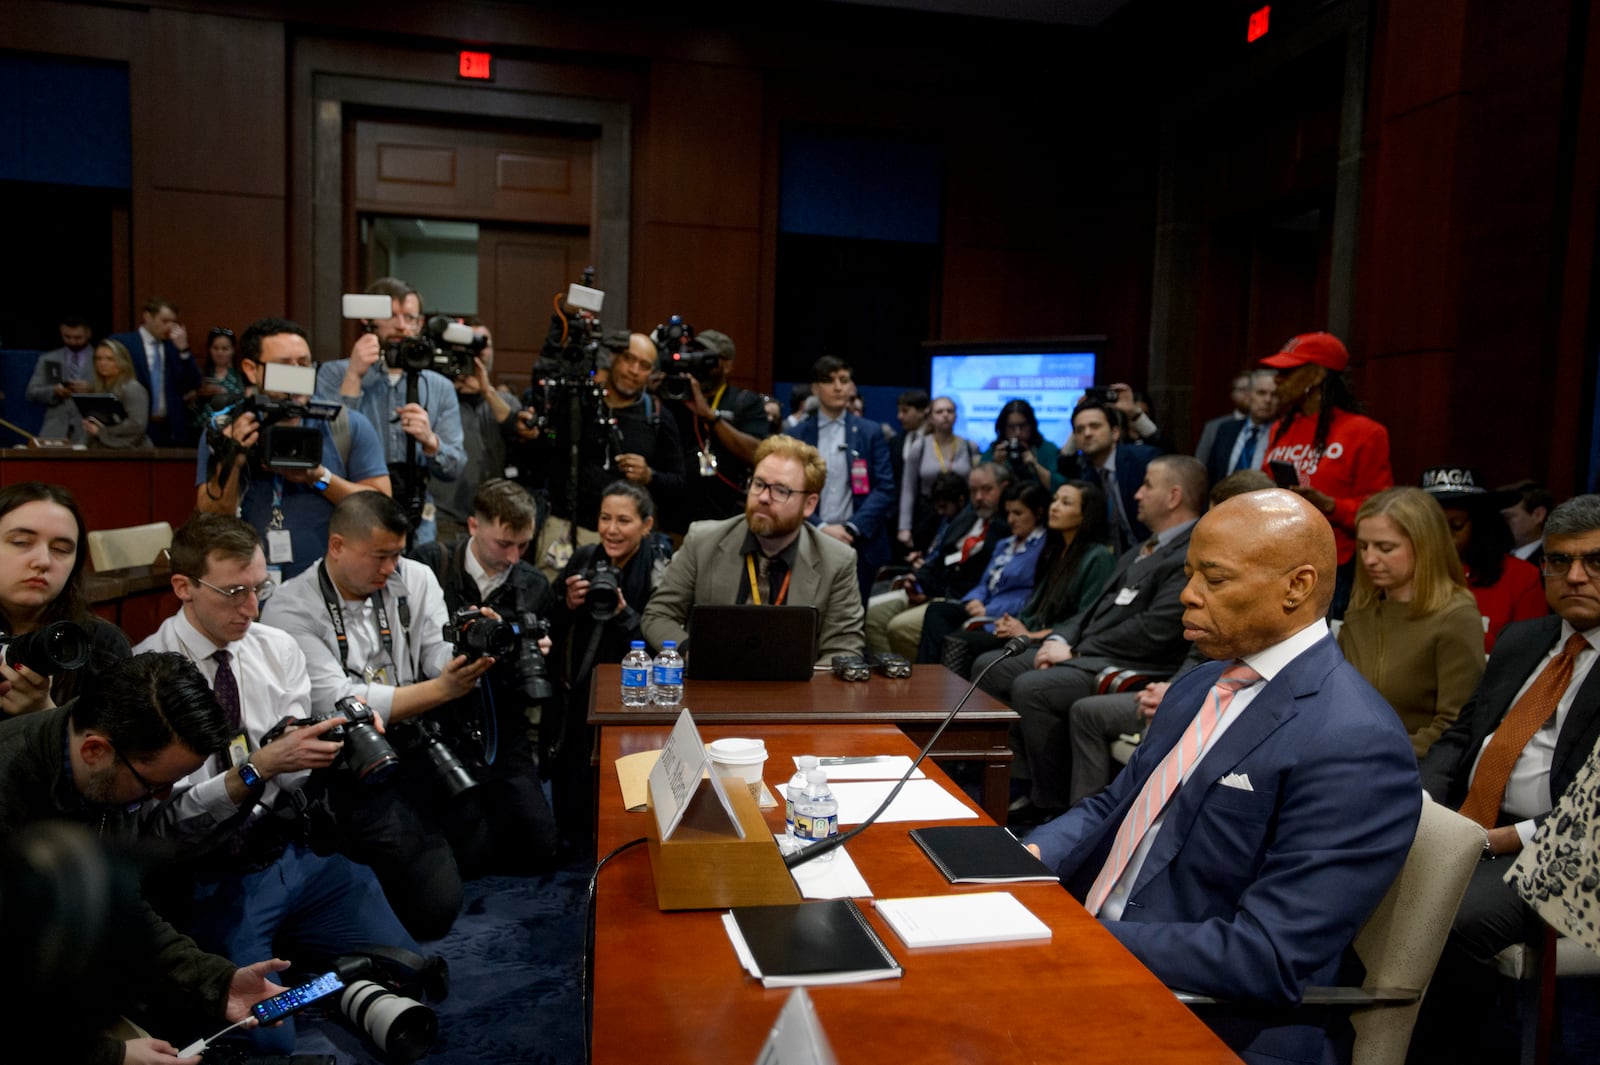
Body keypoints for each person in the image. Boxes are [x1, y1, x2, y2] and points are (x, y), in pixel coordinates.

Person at [1023, 488, 1421, 1065]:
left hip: (1206, 1015)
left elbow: (1269, 956)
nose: (1187, 596)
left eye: (1214, 579)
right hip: (1100, 957)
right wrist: (1024, 855)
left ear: (1298, 587)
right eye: (1188, 574)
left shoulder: (1354, 741)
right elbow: (1116, 804)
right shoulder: (1202, 683)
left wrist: (1073, 938)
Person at [134, 514, 423, 1053]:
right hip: (212, 874)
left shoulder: (276, 648)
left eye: (260, 589)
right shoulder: (147, 674)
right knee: (270, 1044)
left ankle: (322, 976)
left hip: (293, 852)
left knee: (411, 972)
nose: (251, 608)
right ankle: (317, 977)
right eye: (234, 591)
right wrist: (258, 768)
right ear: (184, 587)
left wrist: (324, 749)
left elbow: (289, 779)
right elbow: (162, 822)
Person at [0, 652, 292, 1064]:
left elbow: (118, 906)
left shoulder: (99, 766)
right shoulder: (10, 787)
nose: (159, 799)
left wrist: (218, 981)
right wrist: (109, 1055)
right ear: (95, 750)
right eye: (155, 786)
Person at [1409, 495, 1600, 1065]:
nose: (1575, 576)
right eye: (1559, 562)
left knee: (1444, 911)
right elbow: (1459, 739)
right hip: (1476, 824)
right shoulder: (1524, 639)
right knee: (1355, 867)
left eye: (1595, 562)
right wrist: (1421, 802)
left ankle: (1447, 1053)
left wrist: (1498, 841)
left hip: (1568, 850)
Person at [261, 491, 496, 939]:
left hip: (415, 734)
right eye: (380, 557)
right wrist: (442, 689)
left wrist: (469, 649)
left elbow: (435, 654)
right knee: (434, 910)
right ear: (337, 546)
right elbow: (337, 698)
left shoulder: (415, 576)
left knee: (480, 832)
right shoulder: (290, 606)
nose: (391, 569)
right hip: (347, 756)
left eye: (397, 555)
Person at [978, 455, 1206, 817]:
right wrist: (1062, 640)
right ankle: (1017, 779)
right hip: (1092, 650)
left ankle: (1046, 801)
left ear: (1174, 496)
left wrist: (1077, 651)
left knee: (1032, 687)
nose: (1137, 494)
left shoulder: (1190, 552)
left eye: (1147, 484)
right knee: (991, 665)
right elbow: (1093, 609)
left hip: (1131, 661)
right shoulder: (1146, 546)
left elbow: (1155, 630)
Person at [1057, 471, 1276, 813]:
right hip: (1185, 686)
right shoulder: (1206, 576)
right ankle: (1091, 825)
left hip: (1229, 707)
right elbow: (1196, 653)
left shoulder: (1269, 593)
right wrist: (1174, 689)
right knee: (1088, 713)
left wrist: (1176, 695)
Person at [409, 478, 561, 875]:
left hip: (503, 726)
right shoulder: (429, 565)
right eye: (503, 544)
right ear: (473, 525)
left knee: (541, 847)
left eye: (523, 546)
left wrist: (531, 650)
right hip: (439, 721)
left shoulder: (533, 584)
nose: (513, 557)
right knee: (470, 856)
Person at [196, 317, 391, 582]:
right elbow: (212, 517)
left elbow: (381, 509)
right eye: (284, 366)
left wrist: (319, 478)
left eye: (304, 364)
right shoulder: (225, 428)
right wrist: (234, 457)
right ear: (251, 369)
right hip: (251, 584)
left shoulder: (344, 424)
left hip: (330, 585)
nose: (297, 374)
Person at [641, 434, 865, 661]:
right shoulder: (703, 540)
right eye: (759, 484)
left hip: (793, 691)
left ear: (809, 504)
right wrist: (692, 652)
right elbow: (658, 615)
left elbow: (844, 649)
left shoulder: (837, 561)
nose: (764, 497)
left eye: (780, 490)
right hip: (715, 686)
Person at [548, 480, 673, 851]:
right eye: (605, 518)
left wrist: (623, 614)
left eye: (624, 520)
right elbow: (550, 621)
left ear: (646, 525)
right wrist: (566, 601)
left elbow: (660, 642)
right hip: (578, 690)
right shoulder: (585, 557)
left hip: (631, 695)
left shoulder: (659, 567)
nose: (612, 530)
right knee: (571, 788)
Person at [520, 331, 685, 578]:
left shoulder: (658, 416)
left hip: (625, 541)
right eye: (629, 359)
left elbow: (679, 483)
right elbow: (543, 450)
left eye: (644, 365)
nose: (634, 370)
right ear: (614, 359)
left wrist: (649, 475)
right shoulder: (579, 401)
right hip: (564, 527)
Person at [1336, 487, 1486, 758]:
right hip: (1348, 756)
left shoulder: (1455, 616)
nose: (1369, 559)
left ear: (1424, 547)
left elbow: (1455, 724)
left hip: (1409, 767)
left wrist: (1378, 751)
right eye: (1363, 546)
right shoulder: (1360, 611)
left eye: (1385, 548)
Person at [314, 276, 466, 545]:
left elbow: (454, 466)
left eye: (411, 317)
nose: (401, 326)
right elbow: (326, 451)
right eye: (392, 316)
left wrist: (430, 442)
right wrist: (353, 378)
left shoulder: (439, 386)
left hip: (419, 518)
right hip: (352, 510)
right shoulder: (334, 373)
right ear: (367, 319)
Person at [1258, 331, 1392, 619]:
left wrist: (1330, 505)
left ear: (1317, 375)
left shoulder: (1364, 432)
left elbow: (1381, 511)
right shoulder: (1280, 428)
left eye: (1287, 371)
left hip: (1335, 569)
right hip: (1278, 560)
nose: (1277, 380)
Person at [935, 479, 1115, 678]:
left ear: (1086, 514)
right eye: (1055, 500)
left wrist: (1030, 634)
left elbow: (1086, 620)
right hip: (1032, 631)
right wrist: (1013, 623)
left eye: (1065, 503)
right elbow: (1035, 603)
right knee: (956, 640)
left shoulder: (1098, 557)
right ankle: (942, 704)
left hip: (1059, 641)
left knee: (980, 658)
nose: (1054, 507)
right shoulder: (1056, 550)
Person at [0, 481, 132, 713]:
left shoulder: (100, 644)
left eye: (61, 549)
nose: (43, 561)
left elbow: (113, 747)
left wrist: (43, 711)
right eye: (21, 542)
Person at [868, 462, 1012, 660]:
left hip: (956, 598)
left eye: (987, 490)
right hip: (931, 589)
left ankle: (911, 678)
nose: (979, 498)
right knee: (873, 615)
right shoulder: (967, 518)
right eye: (974, 491)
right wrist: (917, 581)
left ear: (1004, 488)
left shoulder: (1007, 529)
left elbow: (978, 579)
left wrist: (930, 592)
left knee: (899, 628)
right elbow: (938, 559)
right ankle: (888, 674)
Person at [791, 356, 896, 600]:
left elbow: (885, 488)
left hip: (857, 541)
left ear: (852, 387)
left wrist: (850, 528)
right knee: (806, 614)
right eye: (830, 381)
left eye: (844, 380)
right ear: (815, 389)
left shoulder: (870, 432)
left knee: (852, 620)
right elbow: (791, 488)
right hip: (809, 536)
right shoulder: (796, 435)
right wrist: (821, 526)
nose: (838, 387)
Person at [915, 481, 1050, 664]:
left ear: (1038, 513)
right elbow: (984, 582)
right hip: (983, 606)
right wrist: (975, 599)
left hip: (1007, 615)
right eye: (1008, 513)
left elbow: (1032, 596)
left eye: (1018, 513)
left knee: (957, 638)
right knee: (938, 611)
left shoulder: (1044, 548)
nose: (1011, 520)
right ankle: (928, 674)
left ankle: (941, 681)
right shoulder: (1005, 543)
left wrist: (988, 609)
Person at [1419, 465, 1547, 653]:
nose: (1442, 537)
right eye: (1432, 526)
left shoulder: (1521, 577)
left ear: (1480, 525)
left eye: (1456, 526)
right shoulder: (1404, 570)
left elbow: (1528, 654)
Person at [657, 328, 771, 533]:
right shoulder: (673, 395)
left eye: (707, 358)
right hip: (674, 521)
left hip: (726, 521)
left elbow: (758, 453)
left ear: (727, 365)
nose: (698, 363)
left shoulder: (745, 402)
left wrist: (710, 416)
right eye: (694, 354)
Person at [433, 317, 520, 544]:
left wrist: (486, 390)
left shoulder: (505, 400)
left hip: (492, 519)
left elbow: (517, 434)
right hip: (445, 517)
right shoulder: (438, 398)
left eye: (483, 344)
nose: (477, 352)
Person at [1057, 399, 1162, 554]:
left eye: (1095, 426)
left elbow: (1172, 455)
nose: (1087, 433)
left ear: (1115, 432)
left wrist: (1134, 413)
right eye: (1080, 430)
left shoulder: (1141, 459)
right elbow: (1063, 463)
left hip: (1156, 550)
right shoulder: (1086, 474)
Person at [108, 296, 202, 446]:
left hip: (170, 428)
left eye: (173, 322)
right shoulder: (123, 343)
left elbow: (194, 382)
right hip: (136, 426)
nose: (170, 327)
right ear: (147, 317)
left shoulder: (174, 347)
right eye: (164, 321)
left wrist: (184, 350)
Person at [897, 396, 982, 552]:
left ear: (956, 416)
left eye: (950, 411)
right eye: (939, 411)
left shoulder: (970, 447)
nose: (945, 415)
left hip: (961, 513)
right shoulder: (920, 446)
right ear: (930, 417)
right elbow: (908, 488)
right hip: (928, 512)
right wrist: (904, 527)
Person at [26, 313, 96, 442]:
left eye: (78, 337)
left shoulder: (102, 359)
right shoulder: (50, 359)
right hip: (54, 431)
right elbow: (32, 393)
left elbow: (117, 392)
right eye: (67, 337)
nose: (73, 341)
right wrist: (54, 391)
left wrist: (92, 389)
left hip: (90, 431)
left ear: (88, 333)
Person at [1202, 369, 1277, 485]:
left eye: (1274, 394)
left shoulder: (1283, 435)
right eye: (1261, 393)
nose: (1268, 400)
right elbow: (1211, 476)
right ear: (1249, 395)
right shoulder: (1226, 430)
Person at [81, 337, 153, 449]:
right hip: (101, 449)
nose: (102, 363)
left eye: (110, 359)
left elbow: (136, 424)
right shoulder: (98, 388)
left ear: (122, 361)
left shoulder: (132, 389)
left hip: (132, 452)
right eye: (98, 359)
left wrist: (102, 432)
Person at [984, 398, 1063, 492]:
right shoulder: (995, 451)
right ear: (1003, 428)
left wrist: (1035, 466)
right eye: (1011, 427)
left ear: (1031, 425)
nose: (1017, 432)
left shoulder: (1047, 449)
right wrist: (995, 465)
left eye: (1023, 426)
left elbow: (1061, 487)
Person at [1191, 371, 1252, 467]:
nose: (1247, 394)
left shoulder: (1269, 427)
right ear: (1232, 394)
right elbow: (1200, 463)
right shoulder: (1215, 426)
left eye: (1250, 389)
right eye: (1242, 390)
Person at [1500, 479, 1553, 566]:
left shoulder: (1554, 564)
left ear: (1538, 515)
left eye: (1508, 517)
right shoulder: (1494, 558)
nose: (1500, 523)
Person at [196, 326, 246, 405]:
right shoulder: (200, 374)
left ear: (233, 350)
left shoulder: (243, 376)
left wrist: (227, 395)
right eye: (215, 348)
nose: (219, 353)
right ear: (209, 349)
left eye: (225, 349)